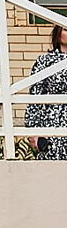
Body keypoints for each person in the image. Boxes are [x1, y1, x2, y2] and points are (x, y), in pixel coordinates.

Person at [26, 25, 67, 160]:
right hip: (53, 123)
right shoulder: (44, 61)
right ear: (58, 33)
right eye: (66, 29)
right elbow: (34, 99)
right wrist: (34, 131)